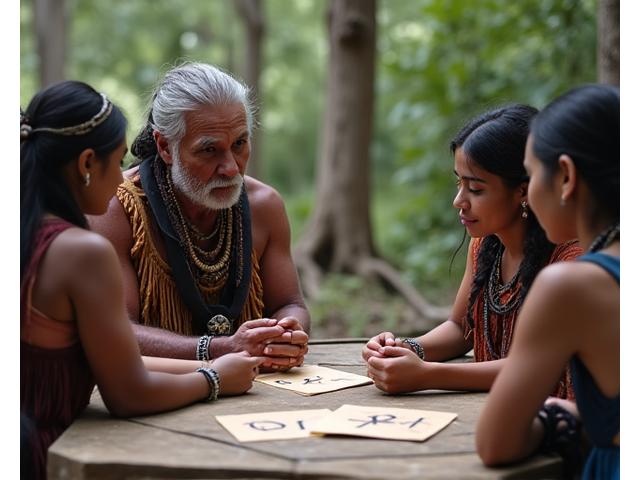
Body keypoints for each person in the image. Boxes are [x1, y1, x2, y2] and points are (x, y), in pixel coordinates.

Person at [21, 80, 266, 480]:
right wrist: (214, 378)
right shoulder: (82, 252)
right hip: (46, 455)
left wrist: (216, 359)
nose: (124, 177)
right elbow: (127, 394)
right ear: (86, 165)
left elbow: (110, 364)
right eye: (118, 161)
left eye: (239, 144)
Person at [89, 62, 310, 371]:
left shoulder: (264, 205)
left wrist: (285, 334)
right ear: (165, 147)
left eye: (240, 144)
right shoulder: (118, 210)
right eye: (209, 150)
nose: (231, 167)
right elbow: (114, 330)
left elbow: (291, 304)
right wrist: (220, 349)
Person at [363, 104, 582, 397]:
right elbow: (460, 327)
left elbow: (539, 366)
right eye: (458, 183)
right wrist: (407, 348)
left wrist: (427, 375)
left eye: (476, 189)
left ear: (523, 189)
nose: (459, 201)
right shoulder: (486, 246)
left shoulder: (571, 262)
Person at [476, 85, 619, 478]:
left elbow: (495, 442)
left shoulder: (571, 285)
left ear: (566, 177)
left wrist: (559, 418)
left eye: (533, 172)